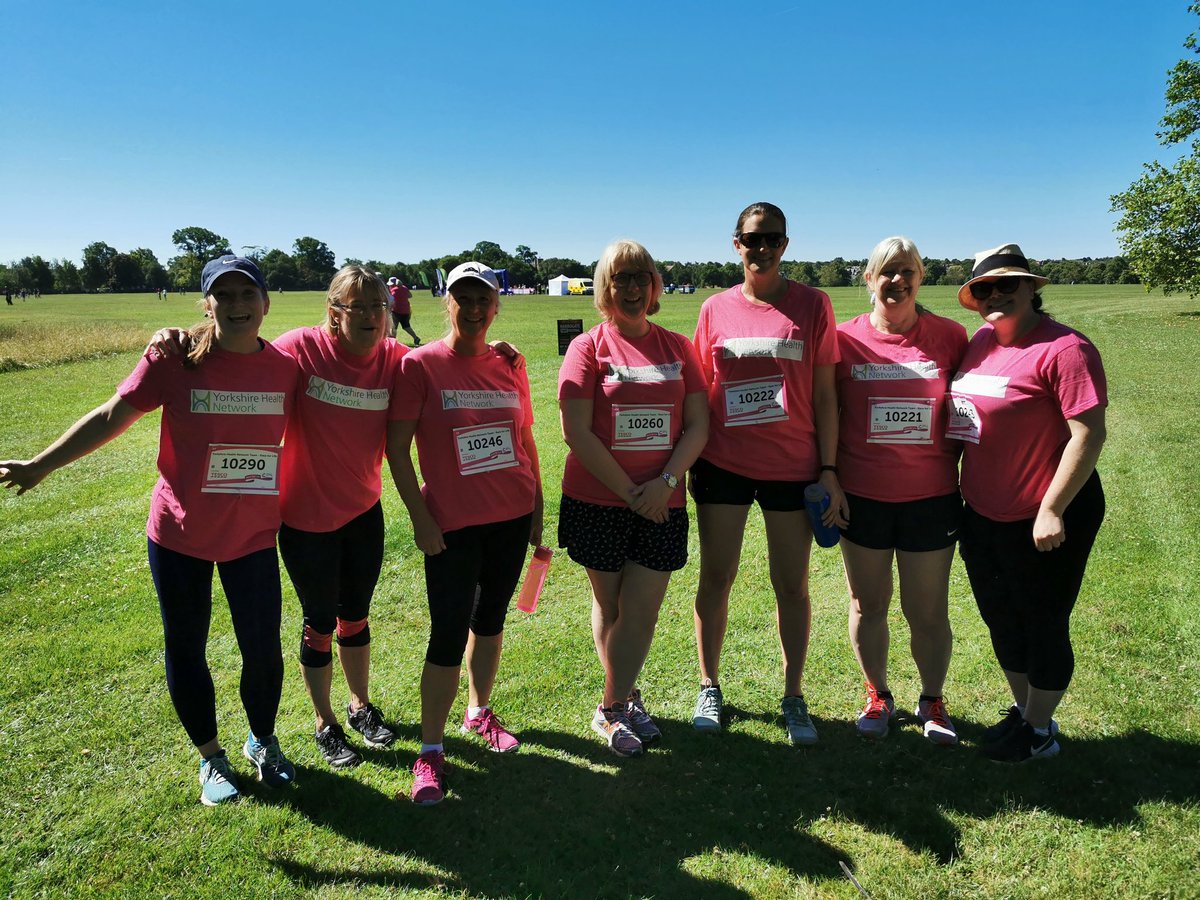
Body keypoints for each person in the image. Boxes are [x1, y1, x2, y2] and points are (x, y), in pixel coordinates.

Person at [1, 255, 298, 806]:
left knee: (262, 650)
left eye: (247, 295)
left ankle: (263, 742)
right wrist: (42, 464)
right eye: (224, 296)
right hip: (179, 534)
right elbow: (114, 413)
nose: (237, 306)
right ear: (206, 304)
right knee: (186, 647)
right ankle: (211, 759)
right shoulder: (175, 357)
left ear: (265, 302)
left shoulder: (285, 367)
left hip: (253, 535)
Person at [689, 202, 845, 746]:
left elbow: (826, 395)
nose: (761, 249)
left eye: (771, 239)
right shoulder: (714, 308)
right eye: (751, 239)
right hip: (723, 465)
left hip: (791, 467)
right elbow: (698, 393)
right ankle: (709, 684)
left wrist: (828, 468)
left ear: (785, 244)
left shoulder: (813, 305)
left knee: (791, 585)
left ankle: (794, 695)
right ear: (736, 244)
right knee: (717, 577)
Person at [387, 261, 543, 805]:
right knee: (448, 633)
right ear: (445, 301)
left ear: (496, 305)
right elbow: (397, 450)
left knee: (491, 619)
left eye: (484, 299)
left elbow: (524, 439)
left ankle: (479, 712)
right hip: (451, 526)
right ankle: (430, 751)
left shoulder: (509, 362)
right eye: (463, 298)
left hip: (509, 515)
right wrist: (421, 518)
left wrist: (537, 510)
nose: (475, 309)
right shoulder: (419, 365)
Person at [949, 243, 1107, 762]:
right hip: (984, 515)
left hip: (1047, 517)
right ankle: (1026, 714)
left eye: (1007, 284)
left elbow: (1088, 434)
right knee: (1001, 618)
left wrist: (1052, 508)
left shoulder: (1065, 349)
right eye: (984, 288)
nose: (996, 295)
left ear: (1032, 288)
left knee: (1043, 622)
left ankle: (1040, 735)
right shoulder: (979, 344)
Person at [558, 240, 709, 758]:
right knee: (610, 604)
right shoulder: (587, 347)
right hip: (598, 500)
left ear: (655, 287)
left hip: (661, 499)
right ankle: (622, 701)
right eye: (619, 278)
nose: (631, 288)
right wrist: (630, 492)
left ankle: (611, 704)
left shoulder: (677, 347)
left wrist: (663, 484)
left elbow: (698, 425)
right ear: (605, 287)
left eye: (640, 277)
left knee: (641, 610)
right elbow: (575, 430)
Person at [835, 237, 968, 744]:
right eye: (885, 271)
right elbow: (827, 411)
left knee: (927, 609)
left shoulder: (952, 337)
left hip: (930, 498)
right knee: (868, 604)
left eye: (906, 270)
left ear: (921, 277)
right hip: (862, 496)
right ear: (868, 279)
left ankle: (933, 699)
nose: (896, 280)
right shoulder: (844, 340)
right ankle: (877, 693)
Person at [388, 276, 421, 346]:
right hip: (406, 311)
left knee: (393, 327)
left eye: (390, 285)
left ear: (393, 284)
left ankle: (392, 343)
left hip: (396, 311)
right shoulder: (404, 288)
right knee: (406, 326)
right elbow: (410, 296)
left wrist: (388, 308)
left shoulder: (393, 291)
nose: (389, 286)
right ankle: (416, 338)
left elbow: (390, 301)